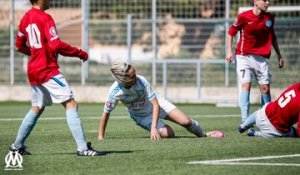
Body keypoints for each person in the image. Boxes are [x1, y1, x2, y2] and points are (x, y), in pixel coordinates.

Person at [9, 0, 102, 156]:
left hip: (33, 70)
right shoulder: (45, 18)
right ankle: (83, 148)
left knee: (37, 108)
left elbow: (19, 46)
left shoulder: (25, 18)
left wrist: (37, 54)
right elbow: (56, 44)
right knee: (71, 103)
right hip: (47, 70)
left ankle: (16, 146)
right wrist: (80, 53)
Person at [98, 62, 224, 140]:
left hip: (157, 104)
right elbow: (106, 113)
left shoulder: (141, 81)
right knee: (169, 134)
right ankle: (159, 127)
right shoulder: (114, 92)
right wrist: (100, 137)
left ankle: (205, 134)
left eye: (135, 73)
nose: (136, 76)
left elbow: (155, 104)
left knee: (186, 121)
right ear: (122, 79)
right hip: (141, 116)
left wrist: (153, 128)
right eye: (132, 76)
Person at [226, 0, 285, 124]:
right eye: (265, 0)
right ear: (255, 2)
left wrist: (279, 55)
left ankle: (267, 120)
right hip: (243, 56)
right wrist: (229, 51)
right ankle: (245, 120)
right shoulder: (243, 17)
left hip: (260, 58)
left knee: (265, 88)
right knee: (246, 85)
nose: (268, 3)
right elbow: (230, 32)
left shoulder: (269, 18)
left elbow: (272, 37)